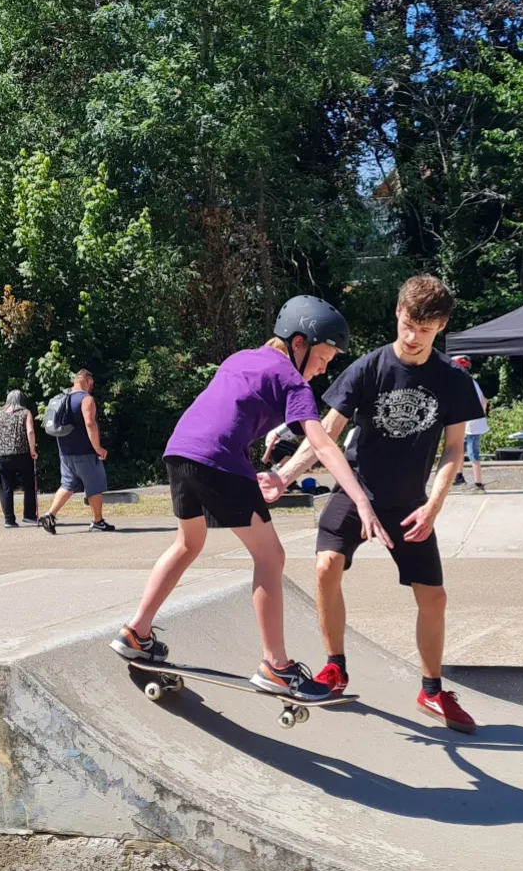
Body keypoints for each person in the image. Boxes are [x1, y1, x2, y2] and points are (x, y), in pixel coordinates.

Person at [109, 295, 391, 702]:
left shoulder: (241, 358)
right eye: (324, 356)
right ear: (299, 342)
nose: (323, 368)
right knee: (271, 557)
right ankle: (277, 667)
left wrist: (271, 439)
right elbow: (324, 444)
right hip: (219, 457)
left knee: (188, 542)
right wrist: (361, 500)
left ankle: (136, 631)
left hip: (180, 450)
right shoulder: (292, 379)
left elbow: (233, 405)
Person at [263, 275, 485, 732]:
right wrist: (285, 476)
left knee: (435, 597)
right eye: (406, 324)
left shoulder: (453, 380)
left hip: (410, 503)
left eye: (423, 330)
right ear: (398, 314)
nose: (411, 337)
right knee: (325, 566)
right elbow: (325, 434)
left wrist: (434, 505)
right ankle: (335, 666)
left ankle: (431, 691)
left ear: (439, 327)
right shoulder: (367, 369)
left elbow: (454, 450)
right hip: (356, 490)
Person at [38, 370, 115, 535]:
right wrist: (98, 448)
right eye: (91, 384)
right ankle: (97, 522)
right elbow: (90, 424)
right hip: (85, 452)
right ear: (88, 382)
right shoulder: (86, 399)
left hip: (65, 453)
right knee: (95, 486)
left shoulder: (63, 398)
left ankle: (49, 515)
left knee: (68, 484)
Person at [0, 389, 38, 527]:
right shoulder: (25, 413)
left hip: (2, 455)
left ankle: (9, 520)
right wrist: (33, 450)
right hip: (22, 453)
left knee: (5, 487)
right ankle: (29, 515)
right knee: (29, 484)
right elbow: (30, 431)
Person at [452, 355, 488, 491]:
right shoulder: (472, 382)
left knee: (473, 454)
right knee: (459, 449)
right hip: (470, 423)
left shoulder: (462, 383)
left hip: (471, 424)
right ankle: (459, 476)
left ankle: (478, 485)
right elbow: (484, 401)